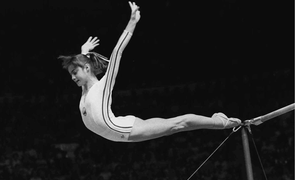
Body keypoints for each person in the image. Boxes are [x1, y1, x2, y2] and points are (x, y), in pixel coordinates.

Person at [58, 2, 241, 142]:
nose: (73, 78)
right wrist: (83, 52)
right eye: (71, 74)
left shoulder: (102, 87)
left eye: (75, 72)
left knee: (178, 124)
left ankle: (221, 122)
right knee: (175, 124)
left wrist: (132, 22)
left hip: (125, 131)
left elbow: (117, 51)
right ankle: (218, 121)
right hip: (122, 125)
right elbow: (84, 68)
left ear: (87, 68)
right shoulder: (85, 89)